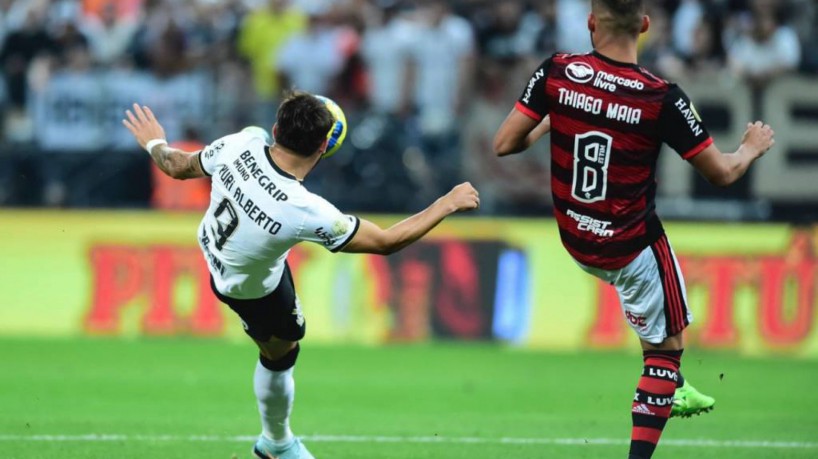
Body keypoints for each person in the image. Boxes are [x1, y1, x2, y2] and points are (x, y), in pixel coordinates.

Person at [123, 92, 479, 459]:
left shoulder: (240, 143)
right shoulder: (306, 209)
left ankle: (276, 443)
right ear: (325, 146)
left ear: (276, 128)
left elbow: (176, 165)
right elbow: (386, 242)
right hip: (252, 289)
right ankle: (277, 444)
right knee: (281, 353)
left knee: (279, 349)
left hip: (217, 254)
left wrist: (154, 141)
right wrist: (446, 202)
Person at [493, 1, 775, 458]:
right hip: (628, 245)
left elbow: (505, 143)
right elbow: (721, 173)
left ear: (590, 22)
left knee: (659, 324)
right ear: (644, 26)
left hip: (573, 235)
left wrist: (556, 115)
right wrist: (749, 149)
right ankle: (663, 393)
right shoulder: (662, 97)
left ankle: (672, 386)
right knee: (667, 349)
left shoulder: (558, 71)